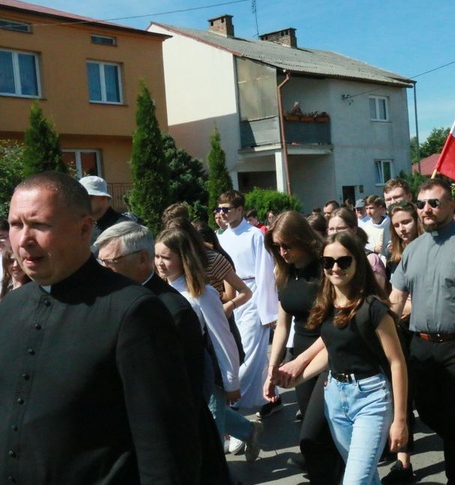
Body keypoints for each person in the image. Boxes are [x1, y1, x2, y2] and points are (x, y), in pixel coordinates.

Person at [0, 171, 199, 482]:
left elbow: (164, 447)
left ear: (84, 228)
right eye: (15, 225)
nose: (24, 239)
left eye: (40, 225)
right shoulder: (11, 306)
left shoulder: (134, 312)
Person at [93, 221, 231, 483]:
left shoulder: (171, 310)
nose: (103, 270)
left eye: (110, 262)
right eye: (99, 262)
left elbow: (182, 396)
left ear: (142, 259)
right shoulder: (112, 300)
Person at [389, 178, 455, 483]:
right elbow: (395, 298)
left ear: (451, 205)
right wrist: (376, 331)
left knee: (454, 417)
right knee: (427, 413)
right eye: (422, 203)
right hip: (420, 345)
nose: (426, 209)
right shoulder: (413, 248)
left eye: (434, 203)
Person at [288, 232, 408, 484]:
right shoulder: (326, 303)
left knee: (355, 481)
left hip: (371, 398)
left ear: (357, 263)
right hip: (335, 397)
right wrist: (296, 377)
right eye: (328, 262)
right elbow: (333, 351)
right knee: (367, 477)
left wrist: (400, 420)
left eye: (343, 261)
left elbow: (397, 363)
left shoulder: (374, 308)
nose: (335, 268)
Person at [154, 228, 264, 461]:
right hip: (180, 369)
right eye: (157, 256)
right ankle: (248, 430)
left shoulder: (203, 294)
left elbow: (221, 339)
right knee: (204, 415)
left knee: (211, 427)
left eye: (166, 257)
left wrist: (231, 382)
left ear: (183, 260)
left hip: (207, 369)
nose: (160, 263)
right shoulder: (159, 290)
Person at [262, 211, 345, 484]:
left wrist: (301, 362)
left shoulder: (326, 269)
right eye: (277, 246)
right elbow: (283, 324)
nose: (282, 252)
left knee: (313, 436)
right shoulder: (284, 272)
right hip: (300, 353)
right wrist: (273, 367)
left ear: (303, 239)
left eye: (287, 245)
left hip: (329, 356)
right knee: (320, 440)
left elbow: (336, 326)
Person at [216, 190, 280, 414]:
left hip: (252, 295)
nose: (221, 213)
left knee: (249, 351)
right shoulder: (220, 237)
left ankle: (235, 403)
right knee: (236, 349)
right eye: (219, 209)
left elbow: (265, 272)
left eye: (226, 209)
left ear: (240, 210)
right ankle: (270, 397)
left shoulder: (255, 235)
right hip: (228, 296)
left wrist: (268, 311)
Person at [383, 201, 423, 483]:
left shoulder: (430, 249)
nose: (402, 229)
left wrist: (412, 307)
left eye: (406, 222)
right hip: (400, 331)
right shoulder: (394, 256)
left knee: (431, 399)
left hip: (427, 332)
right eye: (397, 225)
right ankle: (404, 463)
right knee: (403, 397)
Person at [328, 207, 389, 290]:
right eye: (331, 229)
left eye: (340, 229)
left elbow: (378, 295)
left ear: (354, 230)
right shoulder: (328, 260)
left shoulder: (370, 260)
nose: (335, 233)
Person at [79, 175, 130, 244]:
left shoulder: (123, 226)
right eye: (80, 197)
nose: (82, 201)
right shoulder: (86, 227)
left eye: (88, 197)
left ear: (103, 198)